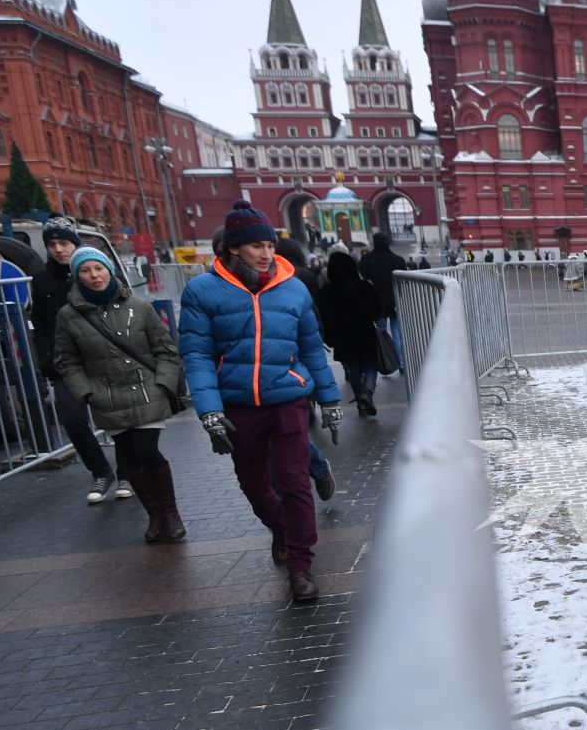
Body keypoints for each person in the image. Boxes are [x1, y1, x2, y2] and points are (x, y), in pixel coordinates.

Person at [182, 202, 343, 603]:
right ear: (234, 248)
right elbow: (197, 354)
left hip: (288, 398)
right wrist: (210, 411)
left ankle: (301, 566)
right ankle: (282, 531)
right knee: (254, 484)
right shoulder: (202, 291)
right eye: (257, 246)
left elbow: (310, 348)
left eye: (270, 245)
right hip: (237, 404)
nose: (267, 253)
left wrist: (329, 399)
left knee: (293, 482)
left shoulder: (293, 288)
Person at [53, 247, 186, 542]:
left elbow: (165, 349)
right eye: (85, 271)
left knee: (147, 450)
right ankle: (153, 516)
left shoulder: (139, 307)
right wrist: (85, 393)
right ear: (77, 276)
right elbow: (66, 360)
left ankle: (170, 513)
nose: (94, 276)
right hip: (106, 395)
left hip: (146, 390)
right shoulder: (69, 315)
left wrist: (163, 383)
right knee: (128, 457)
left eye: (98, 269)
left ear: (108, 270)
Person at [28, 215, 127, 503]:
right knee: (72, 419)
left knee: (118, 418)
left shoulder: (94, 272)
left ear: (75, 244)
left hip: (103, 358)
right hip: (65, 363)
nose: (59, 249)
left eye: (64, 243)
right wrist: (46, 358)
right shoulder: (42, 279)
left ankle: (126, 473)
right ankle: (100, 471)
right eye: (52, 244)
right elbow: (40, 322)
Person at [317, 251, 382, 417]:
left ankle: (360, 402)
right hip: (365, 332)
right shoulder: (364, 286)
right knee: (370, 365)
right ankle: (367, 392)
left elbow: (324, 316)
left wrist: (329, 337)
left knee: (353, 368)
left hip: (342, 336)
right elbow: (377, 310)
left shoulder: (327, 291)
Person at [359, 230, 407, 371]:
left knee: (380, 332)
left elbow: (364, 276)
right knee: (397, 332)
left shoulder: (367, 259)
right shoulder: (398, 260)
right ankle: (402, 364)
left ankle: (384, 361)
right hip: (395, 300)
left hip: (377, 302)